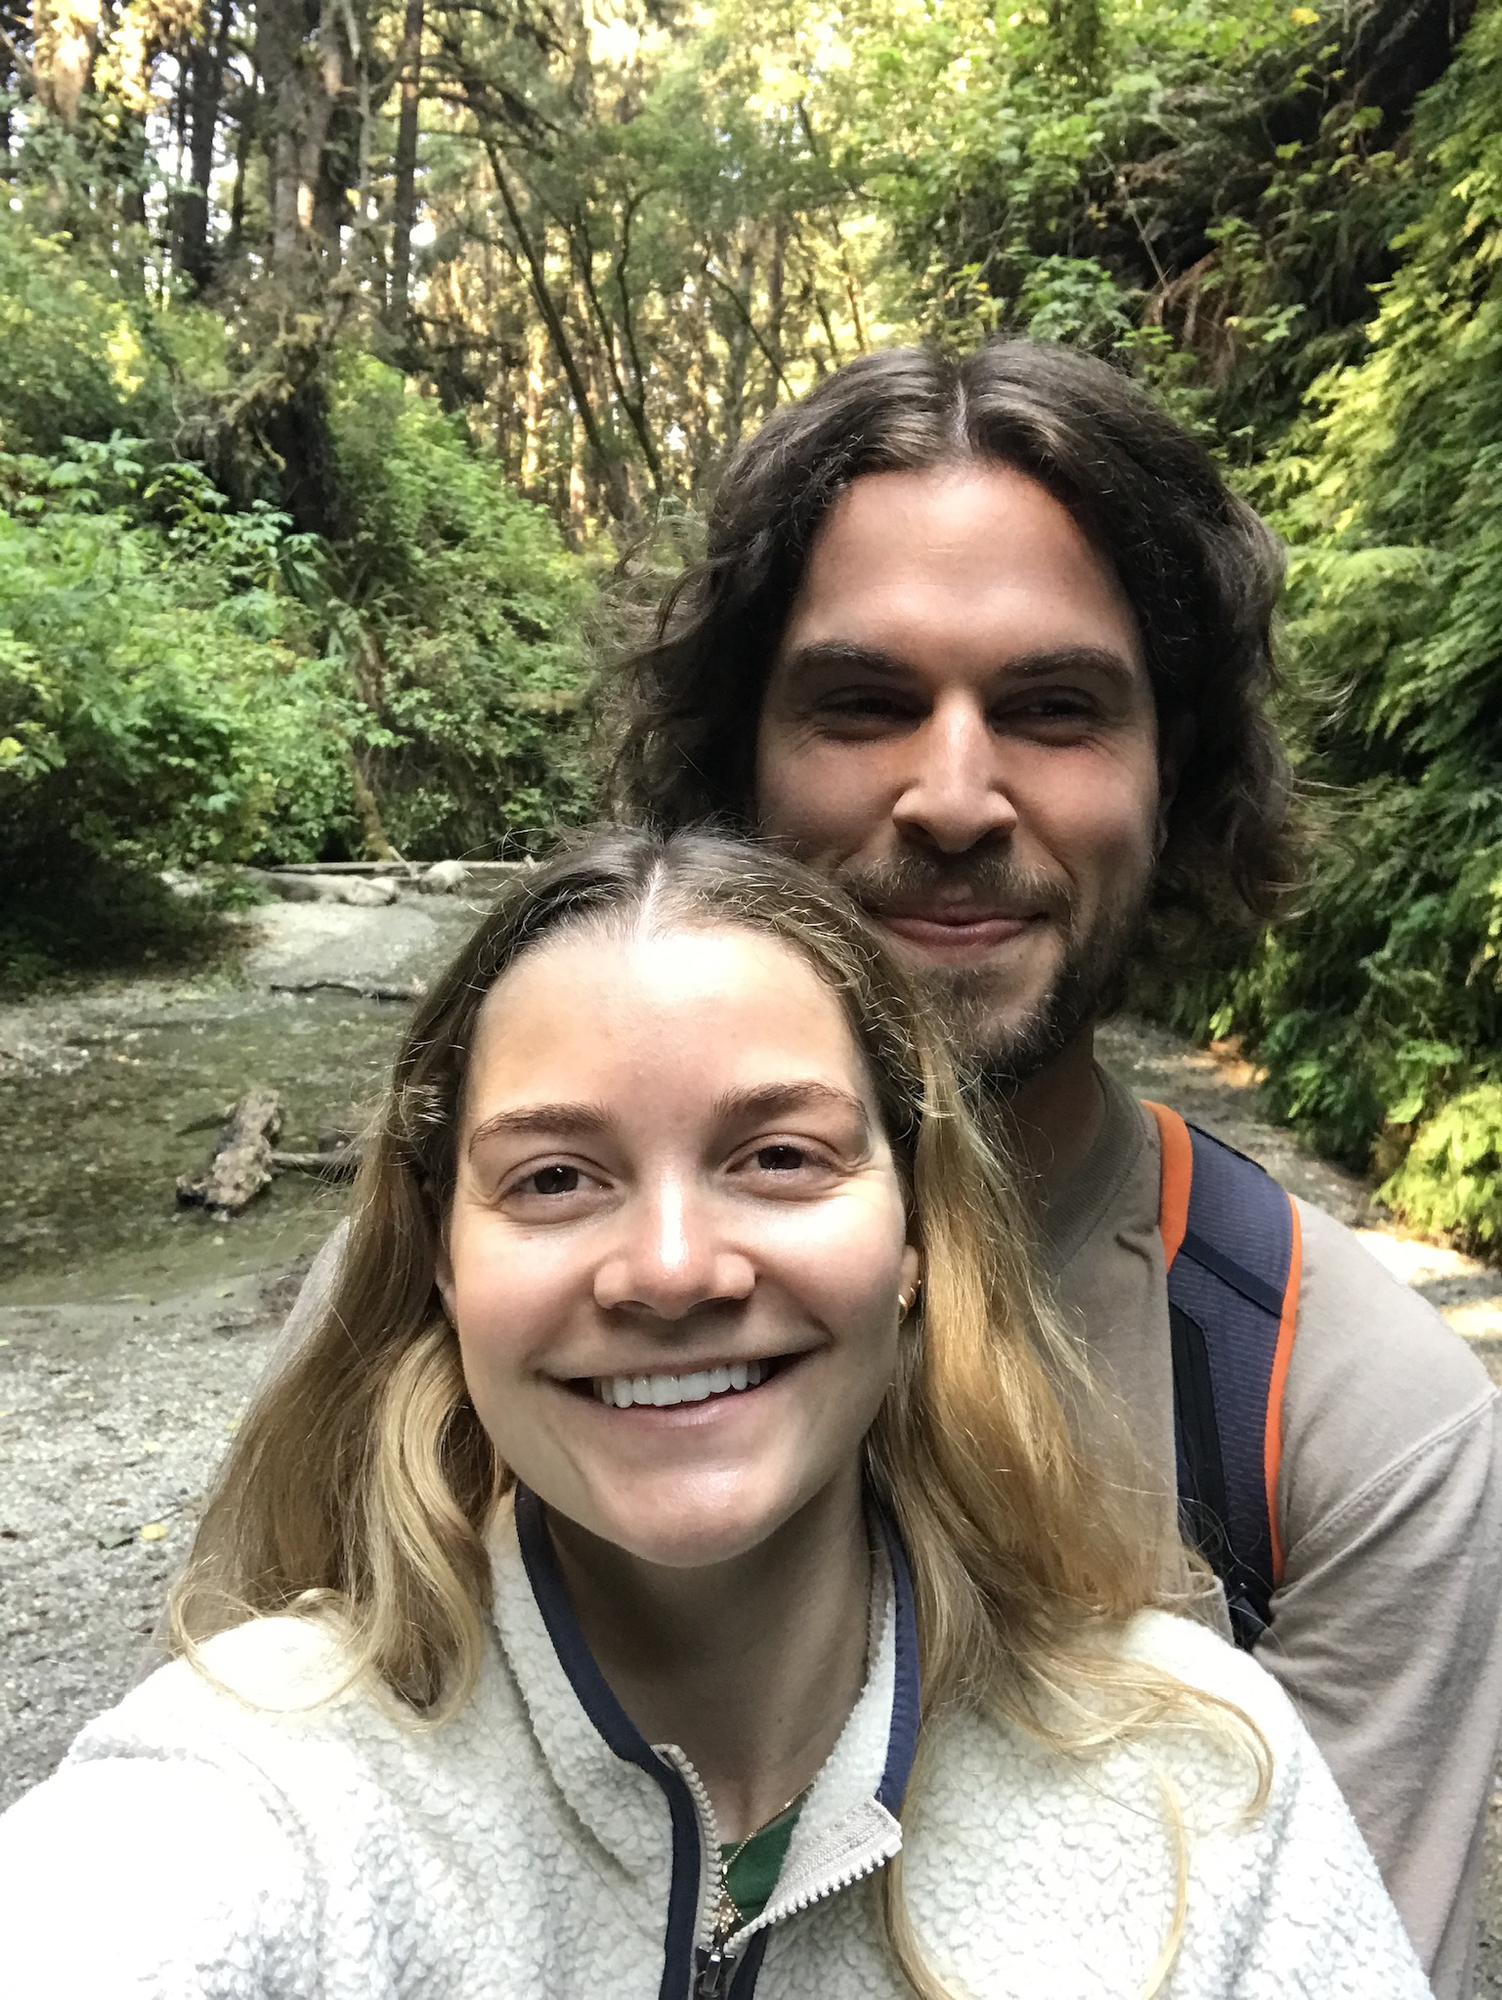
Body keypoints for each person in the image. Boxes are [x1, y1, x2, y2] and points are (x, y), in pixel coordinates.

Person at [0, 831, 1429, 1999]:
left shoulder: (1199, 1782)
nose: (673, 1270)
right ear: (441, 1255)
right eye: (555, 1177)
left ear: (918, 1229)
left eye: (778, 1155)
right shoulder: (254, 1795)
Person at [596, 342, 1502, 1996]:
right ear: (738, 767)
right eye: (863, 705)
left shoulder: (1344, 1424)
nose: (952, 796)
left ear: (1180, 780)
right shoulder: (478, 1300)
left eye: (1053, 709)